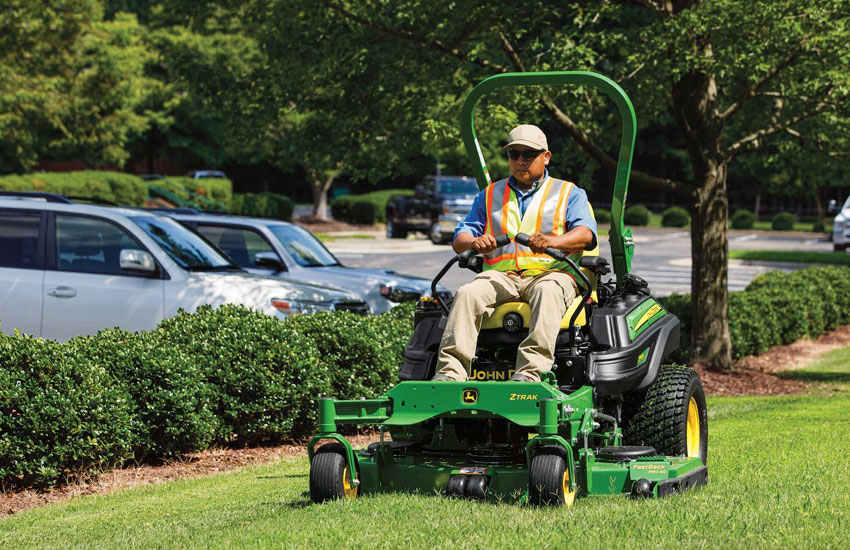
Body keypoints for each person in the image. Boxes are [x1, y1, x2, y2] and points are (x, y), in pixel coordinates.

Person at [432, 124, 597, 383]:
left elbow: (586, 234)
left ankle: (530, 373)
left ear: (546, 157)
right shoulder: (489, 194)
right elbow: (460, 239)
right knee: (467, 293)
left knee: (548, 291)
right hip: (503, 278)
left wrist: (553, 241)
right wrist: (475, 242)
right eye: (514, 154)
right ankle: (450, 374)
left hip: (552, 274)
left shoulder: (568, 193)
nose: (520, 161)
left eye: (528, 155)